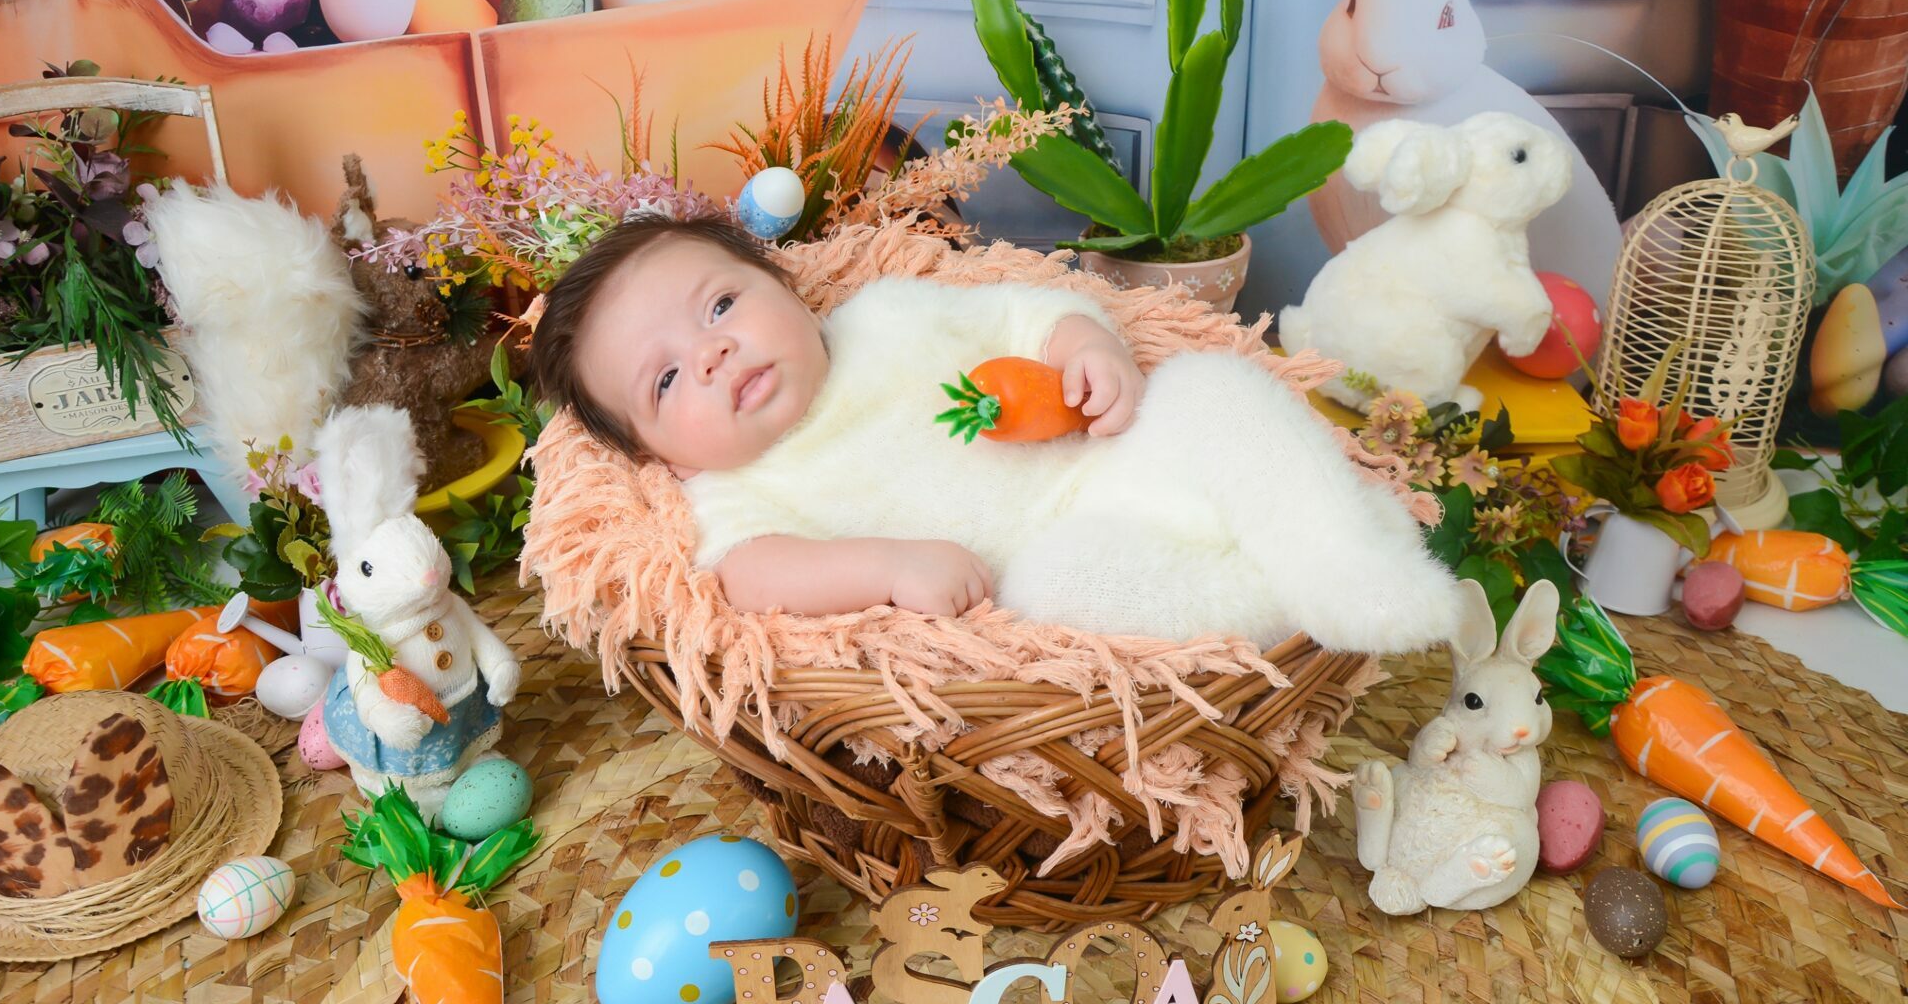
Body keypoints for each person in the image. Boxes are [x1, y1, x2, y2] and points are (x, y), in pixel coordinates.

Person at [530, 215, 1460, 654]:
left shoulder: (886, 315)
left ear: (786, 286)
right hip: (1063, 559)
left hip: (1118, 461)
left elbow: (1024, 310)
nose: (712, 352)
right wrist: (888, 564)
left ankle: (1343, 559)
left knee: (1210, 387)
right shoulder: (735, 489)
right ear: (661, 454)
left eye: (721, 305)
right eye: (665, 380)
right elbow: (751, 573)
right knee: (1061, 590)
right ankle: (1287, 595)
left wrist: (1088, 348)